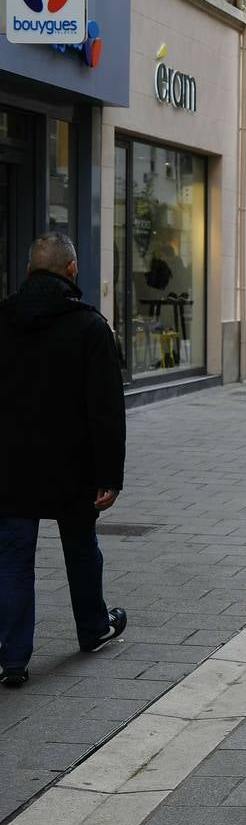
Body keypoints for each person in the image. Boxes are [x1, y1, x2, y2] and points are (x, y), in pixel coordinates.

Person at [0, 233, 127, 688]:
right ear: (71, 270)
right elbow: (106, 408)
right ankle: (93, 628)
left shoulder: (4, 319)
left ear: (30, 269)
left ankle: (12, 657)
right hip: (73, 465)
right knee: (80, 548)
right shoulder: (89, 326)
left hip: (11, 467)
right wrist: (110, 474)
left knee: (13, 558)